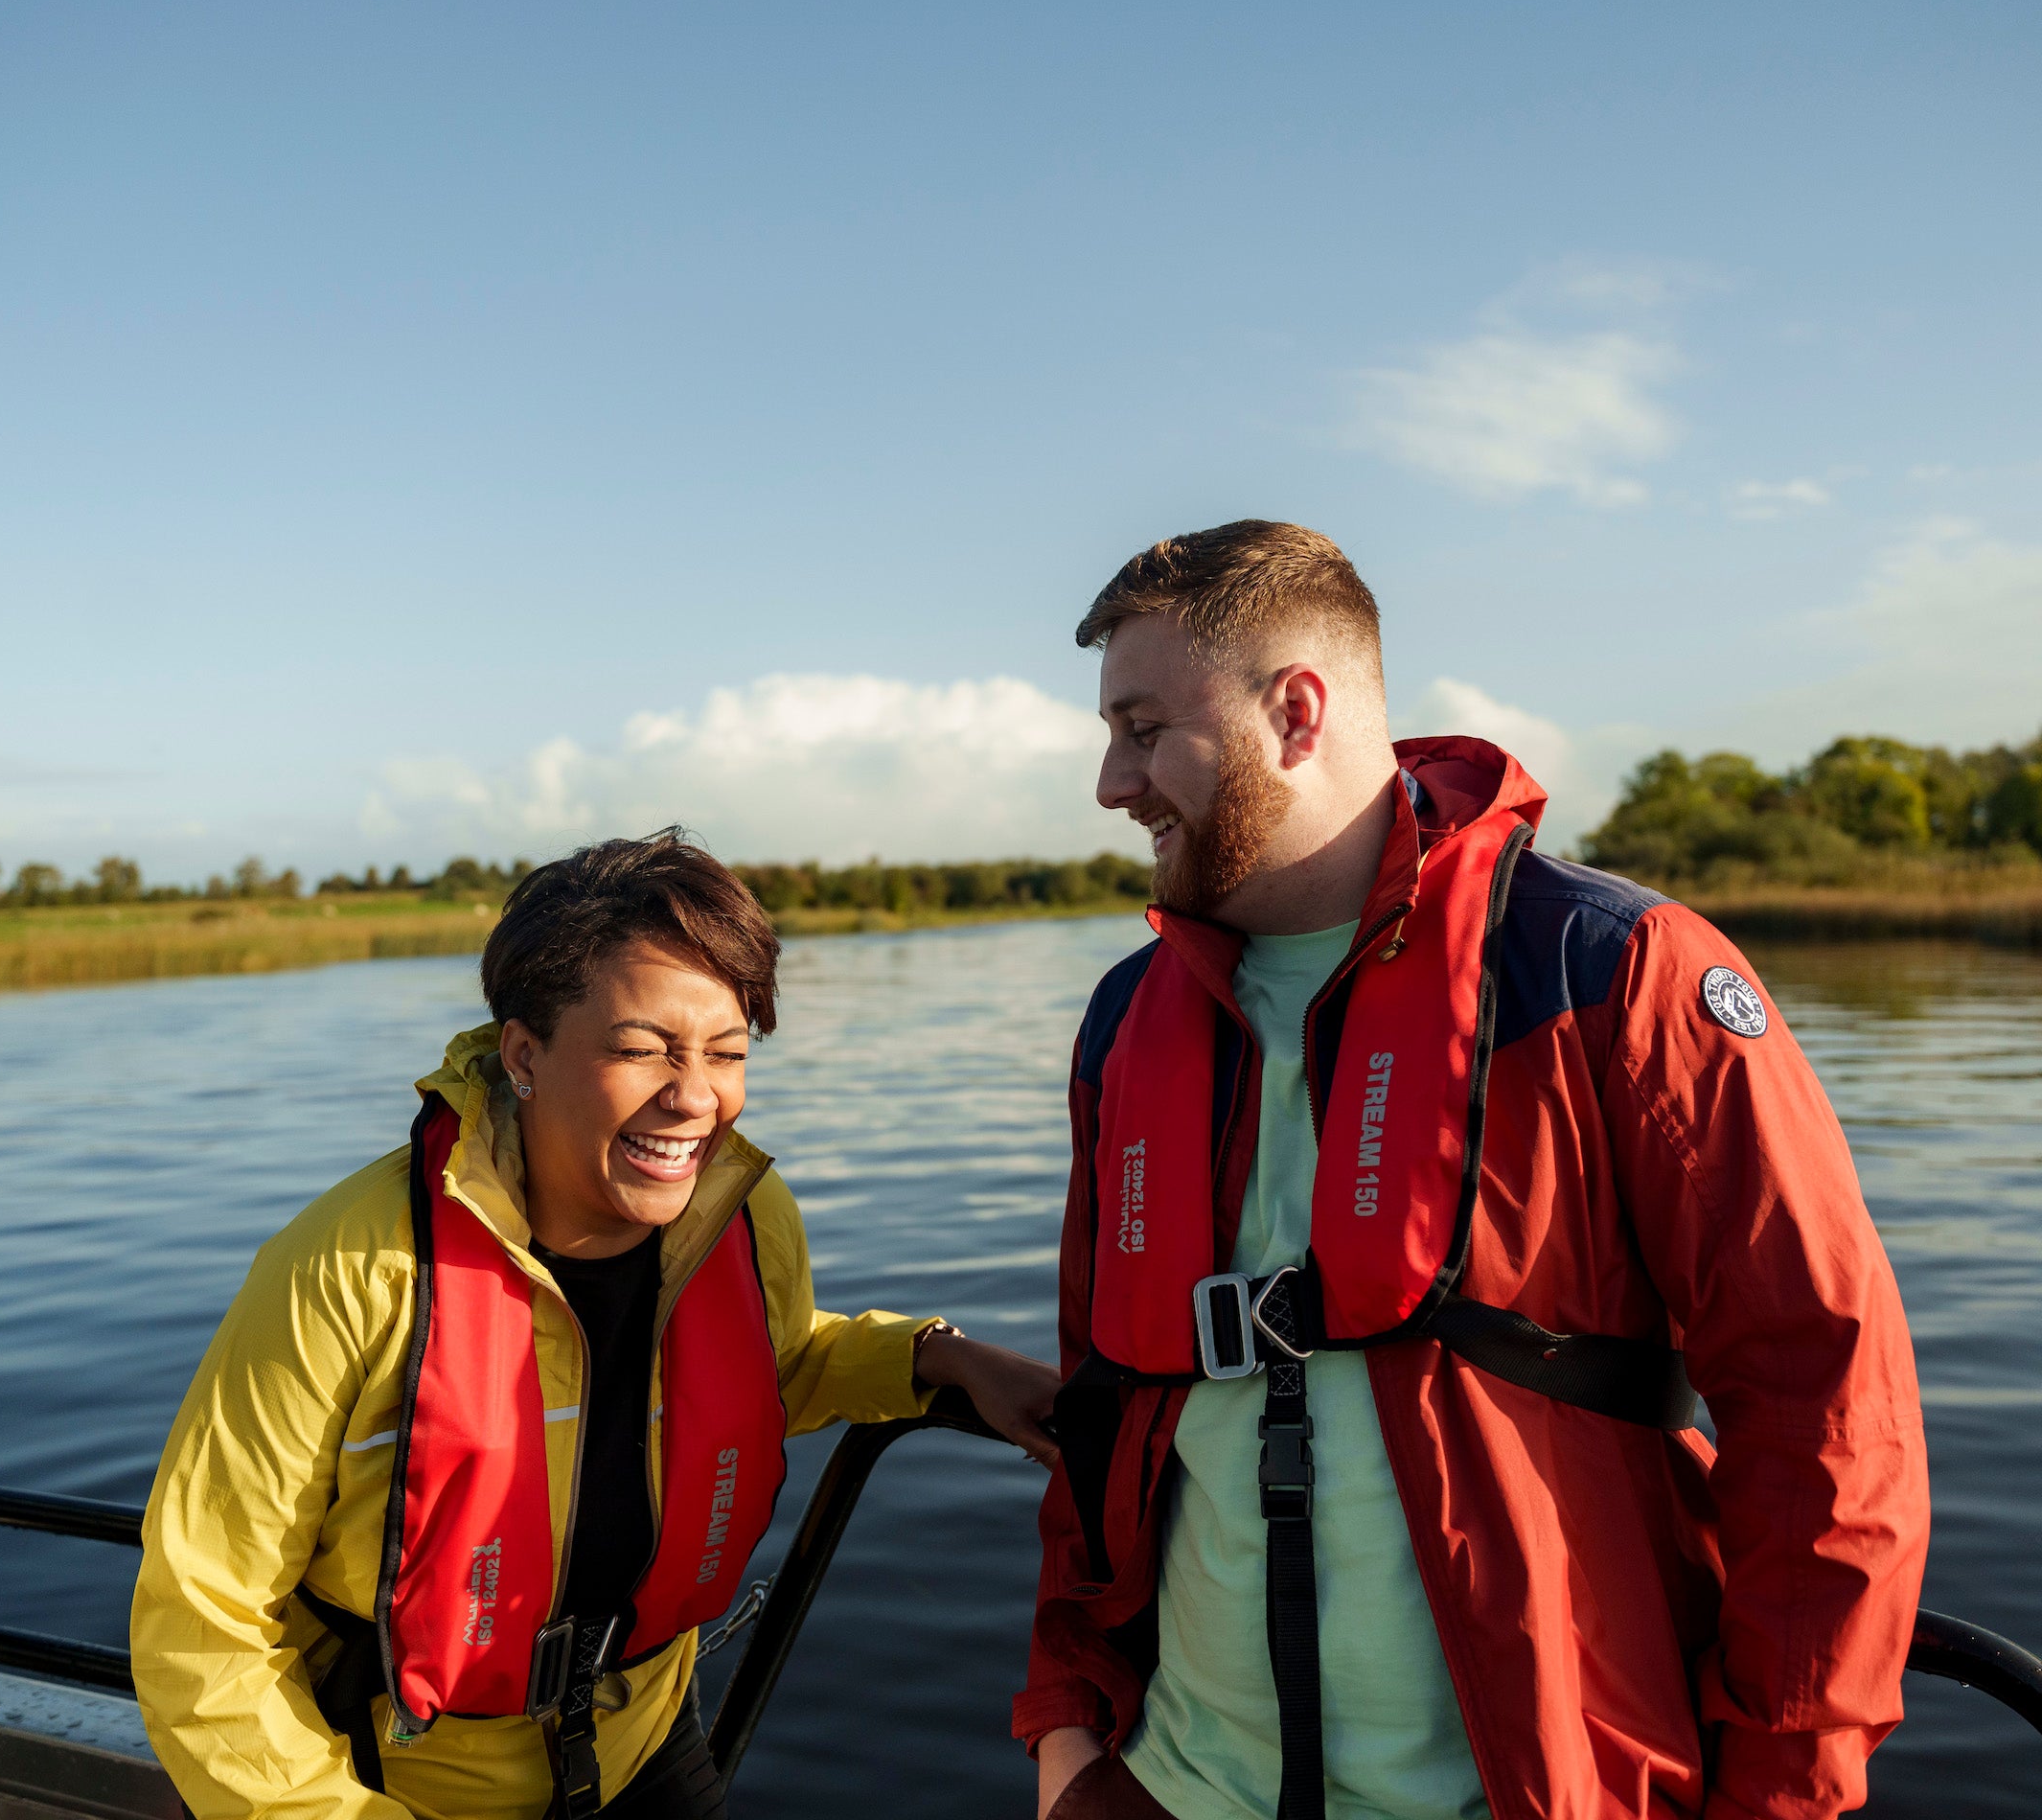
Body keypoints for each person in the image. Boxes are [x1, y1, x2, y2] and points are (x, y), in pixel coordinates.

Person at [1019, 523, 1928, 1820]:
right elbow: (1099, 1408)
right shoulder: (1124, 1024)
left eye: (1145, 727)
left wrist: (1783, 1798)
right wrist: (1068, 1730)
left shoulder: (1615, 973)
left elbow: (1830, 1416)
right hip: (1167, 1787)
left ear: (1296, 712)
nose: (1112, 783)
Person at [133, 830, 1061, 1820]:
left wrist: (937, 1356)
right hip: (397, 1789)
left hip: (642, 1743)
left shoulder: (743, 1216)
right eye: (640, 1048)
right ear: (525, 1051)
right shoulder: (347, 1268)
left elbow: (767, 1366)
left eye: (728, 1051)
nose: (696, 1096)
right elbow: (204, 1619)